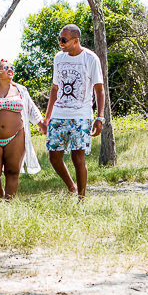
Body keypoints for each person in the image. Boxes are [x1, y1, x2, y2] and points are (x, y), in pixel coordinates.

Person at [38, 24, 105, 199]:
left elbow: (99, 89)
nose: (60, 43)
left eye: (64, 40)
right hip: (59, 114)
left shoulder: (90, 58)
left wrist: (100, 117)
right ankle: (71, 187)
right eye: (59, 39)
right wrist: (47, 118)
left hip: (81, 115)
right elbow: (55, 88)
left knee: (78, 158)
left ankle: (81, 198)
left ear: (76, 41)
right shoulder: (58, 58)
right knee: (54, 157)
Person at [0, 58, 44, 199]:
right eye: (6, 68)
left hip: (17, 135)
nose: (10, 69)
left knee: (12, 171)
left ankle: (8, 202)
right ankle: (1, 193)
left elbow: (31, 109)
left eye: (11, 68)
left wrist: (42, 125)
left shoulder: (21, 90)